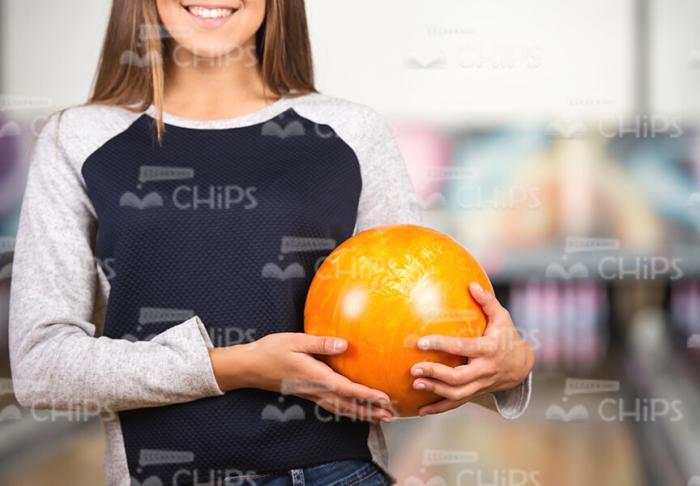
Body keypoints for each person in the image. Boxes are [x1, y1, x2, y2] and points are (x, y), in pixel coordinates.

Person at [9, 1, 534, 484]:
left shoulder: (353, 132)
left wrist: (502, 370)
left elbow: (406, 343)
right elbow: (39, 367)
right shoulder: (77, 138)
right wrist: (230, 368)